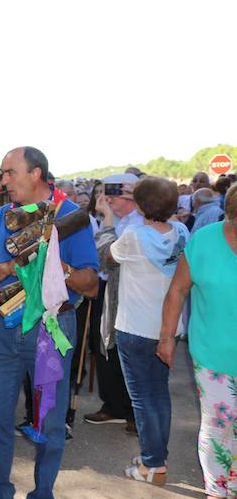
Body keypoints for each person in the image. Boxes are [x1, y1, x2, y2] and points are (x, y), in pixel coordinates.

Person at [0, 147, 98, 499]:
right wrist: (7, 265)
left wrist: (59, 266)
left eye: (9, 173)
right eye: (2, 173)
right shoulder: (3, 217)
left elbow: (91, 285)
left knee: (50, 423)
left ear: (36, 173)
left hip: (51, 330)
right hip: (4, 328)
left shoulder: (69, 217)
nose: (3, 181)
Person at [158, 183, 237, 499]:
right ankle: (217, 498)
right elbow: (178, 289)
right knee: (220, 427)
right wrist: (167, 337)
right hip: (214, 354)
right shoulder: (205, 240)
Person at [110, 177, 187, 483]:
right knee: (159, 394)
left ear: (140, 205)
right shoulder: (181, 231)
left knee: (143, 398)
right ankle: (156, 457)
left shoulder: (133, 234)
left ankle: (153, 463)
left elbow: (110, 254)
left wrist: (108, 217)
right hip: (168, 327)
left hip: (135, 328)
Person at [83, 173, 141, 430]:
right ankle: (114, 405)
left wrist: (107, 219)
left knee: (125, 350)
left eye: (112, 195)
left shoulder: (137, 222)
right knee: (104, 345)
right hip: (106, 287)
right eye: (103, 194)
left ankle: (131, 410)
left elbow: (105, 254)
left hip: (129, 292)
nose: (106, 200)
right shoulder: (116, 219)